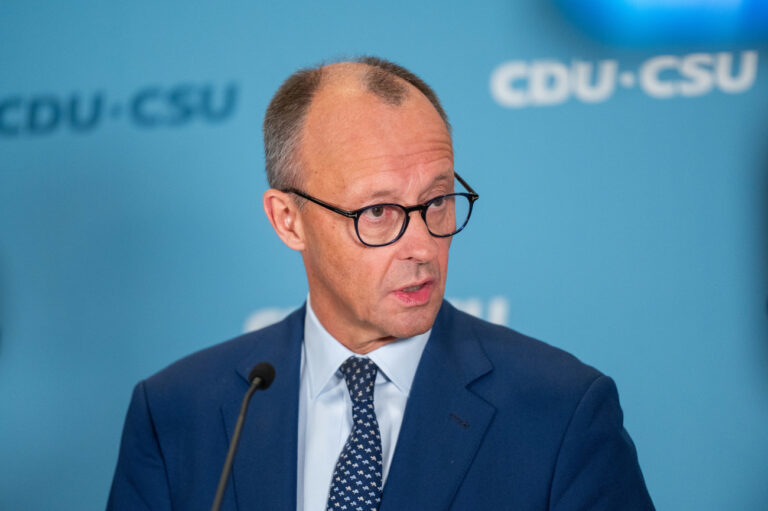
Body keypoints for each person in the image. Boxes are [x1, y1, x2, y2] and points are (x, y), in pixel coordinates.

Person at [107, 56, 654, 511]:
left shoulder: (560, 412)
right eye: (377, 211)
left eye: (437, 202)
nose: (420, 245)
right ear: (288, 220)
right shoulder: (179, 412)